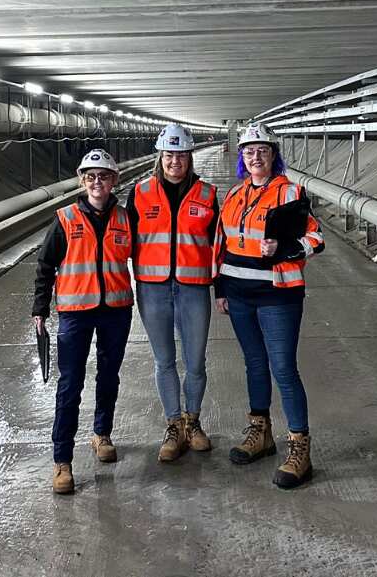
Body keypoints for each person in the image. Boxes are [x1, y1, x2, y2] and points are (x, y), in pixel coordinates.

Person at [212, 123, 324, 489]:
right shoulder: (233, 195)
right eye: (248, 151)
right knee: (254, 365)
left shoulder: (291, 192)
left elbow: (315, 237)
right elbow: (223, 244)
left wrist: (289, 250)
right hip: (239, 294)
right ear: (242, 158)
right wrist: (221, 289)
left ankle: (299, 449)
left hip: (278, 294)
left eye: (262, 150)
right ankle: (261, 434)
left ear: (274, 155)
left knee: (283, 369)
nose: (255, 156)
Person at [32, 148, 134, 495]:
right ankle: (62, 461)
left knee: (108, 376)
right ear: (82, 180)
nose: (97, 183)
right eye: (90, 177)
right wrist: (40, 310)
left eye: (103, 176)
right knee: (70, 384)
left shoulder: (125, 218)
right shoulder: (64, 219)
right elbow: (45, 266)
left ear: (114, 180)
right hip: (76, 313)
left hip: (116, 309)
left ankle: (101, 434)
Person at [127, 123, 219, 461]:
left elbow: (218, 246)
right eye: (169, 155)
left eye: (181, 155)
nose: (175, 161)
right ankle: (173, 426)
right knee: (164, 361)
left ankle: (192, 422)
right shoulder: (139, 193)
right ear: (160, 156)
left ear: (189, 157)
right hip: (152, 290)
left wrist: (220, 287)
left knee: (195, 362)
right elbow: (121, 240)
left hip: (194, 289)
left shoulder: (208, 195)